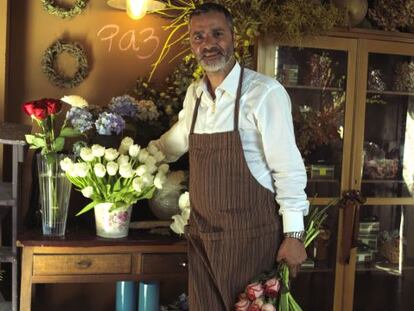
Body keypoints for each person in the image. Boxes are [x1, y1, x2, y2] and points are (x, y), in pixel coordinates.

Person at [151, 2, 309, 310]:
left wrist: (294, 234)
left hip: (252, 243)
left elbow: (288, 168)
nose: (207, 43)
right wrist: (137, 161)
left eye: (216, 33)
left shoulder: (264, 93)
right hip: (202, 242)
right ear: (191, 44)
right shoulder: (195, 95)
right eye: (198, 37)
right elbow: (176, 141)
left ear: (234, 37)